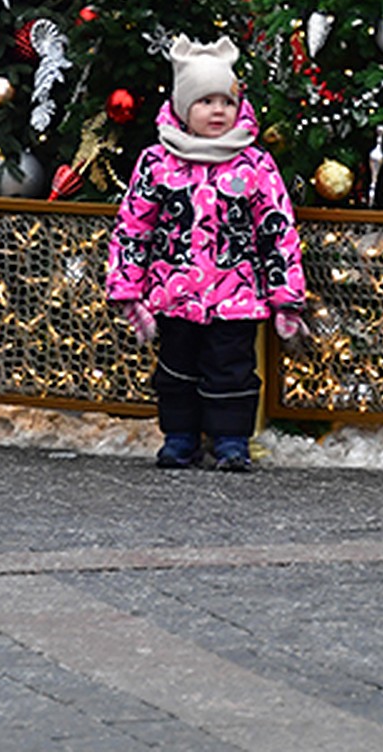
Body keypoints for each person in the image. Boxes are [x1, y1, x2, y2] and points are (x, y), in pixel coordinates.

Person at [107, 35, 307, 471]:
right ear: (183, 109)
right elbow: (134, 226)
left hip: (235, 297)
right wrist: (128, 290)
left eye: (226, 102)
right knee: (176, 370)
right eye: (205, 102)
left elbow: (277, 230)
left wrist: (285, 295)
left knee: (232, 369)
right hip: (172, 294)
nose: (218, 111)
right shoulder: (157, 162)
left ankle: (231, 440)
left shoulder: (254, 164)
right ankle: (180, 437)